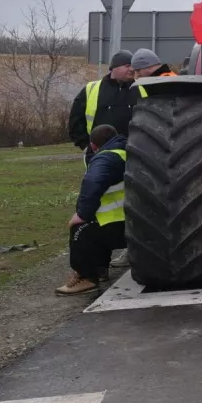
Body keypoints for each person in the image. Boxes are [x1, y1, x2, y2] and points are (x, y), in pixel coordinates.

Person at [56, 125, 128, 295]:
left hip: (118, 222)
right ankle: (100, 269)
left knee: (80, 229)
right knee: (95, 227)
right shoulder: (126, 151)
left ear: (94, 146)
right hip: (135, 218)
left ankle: (86, 278)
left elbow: (93, 182)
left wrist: (82, 215)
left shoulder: (105, 158)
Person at [68, 50, 137, 165]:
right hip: (100, 155)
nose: (132, 69)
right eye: (127, 66)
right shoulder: (92, 89)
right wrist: (86, 146)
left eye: (133, 66)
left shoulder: (140, 89)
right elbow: (75, 120)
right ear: (114, 68)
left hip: (134, 155)